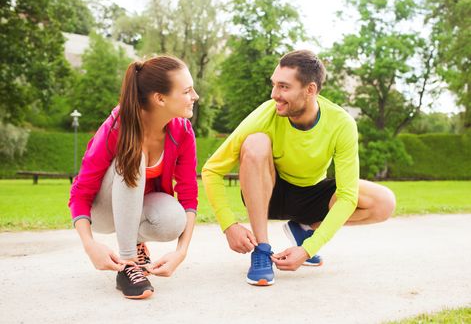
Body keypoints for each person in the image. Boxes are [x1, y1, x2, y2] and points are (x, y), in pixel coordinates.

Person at [202, 50, 396, 286]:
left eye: (284, 87)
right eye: (274, 85)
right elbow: (212, 170)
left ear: (310, 90)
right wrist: (229, 225)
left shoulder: (341, 123)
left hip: (312, 195)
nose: (275, 94)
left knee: (384, 201)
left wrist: (307, 249)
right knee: (256, 142)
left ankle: (305, 230)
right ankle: (262, 251)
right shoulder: (266, 114)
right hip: (271, 192)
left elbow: (346, 197)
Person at [69, 55, 199, 299]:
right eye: (187, 91)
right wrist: (90, 246)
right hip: (104, 211)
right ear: (160, 98)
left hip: (137, 209)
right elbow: (81, 191)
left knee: (173, 219)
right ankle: (127, 264)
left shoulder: (182, 131)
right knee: (134, 156)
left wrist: (181, 252)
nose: (195, 96)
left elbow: (189, 194)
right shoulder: (118, 125)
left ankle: (136, 243)